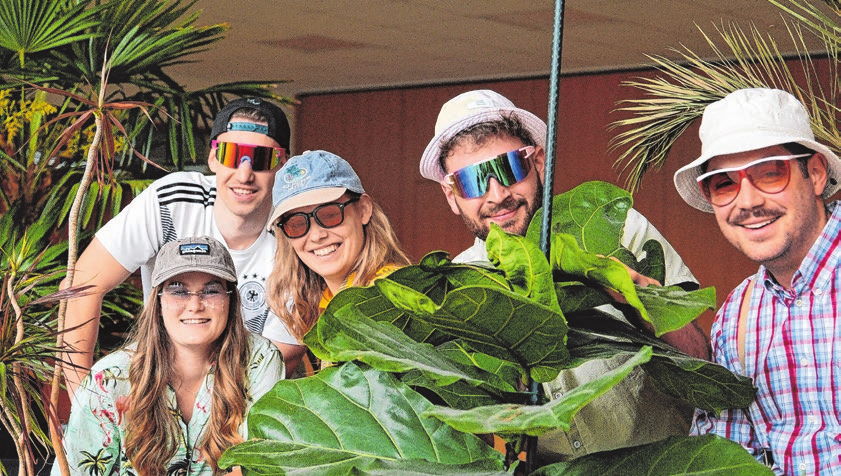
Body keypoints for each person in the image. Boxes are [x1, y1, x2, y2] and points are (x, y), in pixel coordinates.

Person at [420, 89, 710, 462]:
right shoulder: (459, 287)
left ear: (538, 162)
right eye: (473, 182)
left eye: (508, 168)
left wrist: (636, 297)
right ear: (451, 194)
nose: (497, 195)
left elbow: (702, 365)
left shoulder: (616, 230)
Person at [63, 97, 306, 397]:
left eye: (261, 158)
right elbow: (82, 284)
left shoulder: (298, 229)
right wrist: (81, 403)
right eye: (232, 155)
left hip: (253, 395)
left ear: (282, 164)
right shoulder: (173, 200)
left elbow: (281, 357)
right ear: (213, 158)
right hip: (161, 381)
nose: (244, 174)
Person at [673, 88, 841, 475]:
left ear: (815, 173)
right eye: (724, 183)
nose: (746, 202)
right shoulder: (737, 315)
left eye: (769, 173)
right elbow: (727, 457)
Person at [58, 236, 285, 475]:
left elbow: (260, 464)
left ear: (230, 299)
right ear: (158, 301)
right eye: (179, 291)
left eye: (211, 290)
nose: (195, 304)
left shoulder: (260, 360)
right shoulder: (107, 380)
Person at [265, 150, 411, 349]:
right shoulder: (320, 301)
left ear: (363, 210)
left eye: (330, 214)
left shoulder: (388, 296)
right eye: (297, 223)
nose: (317, 235)